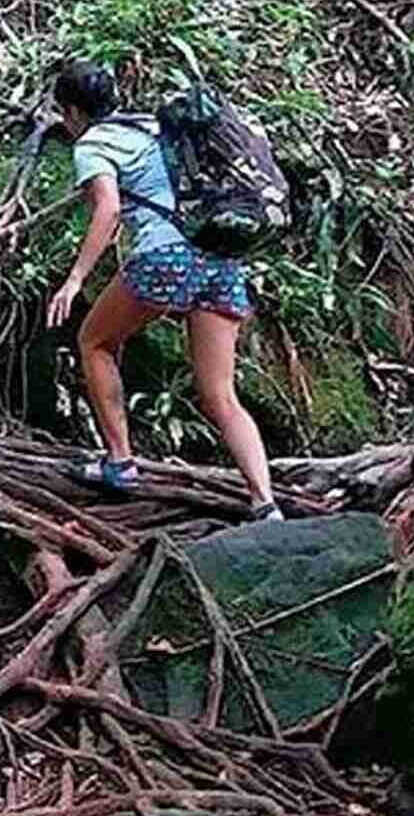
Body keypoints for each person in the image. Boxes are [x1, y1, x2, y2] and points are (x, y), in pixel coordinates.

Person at [44, 59, 281, 519]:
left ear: (72, 112)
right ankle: (264, 502)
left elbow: (108, 211)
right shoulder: (152, 125)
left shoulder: (94, 143)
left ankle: (120, 462)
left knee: (95, 342)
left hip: (167, 257)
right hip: (221, 257)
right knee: (220, 394)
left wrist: (74, 281)